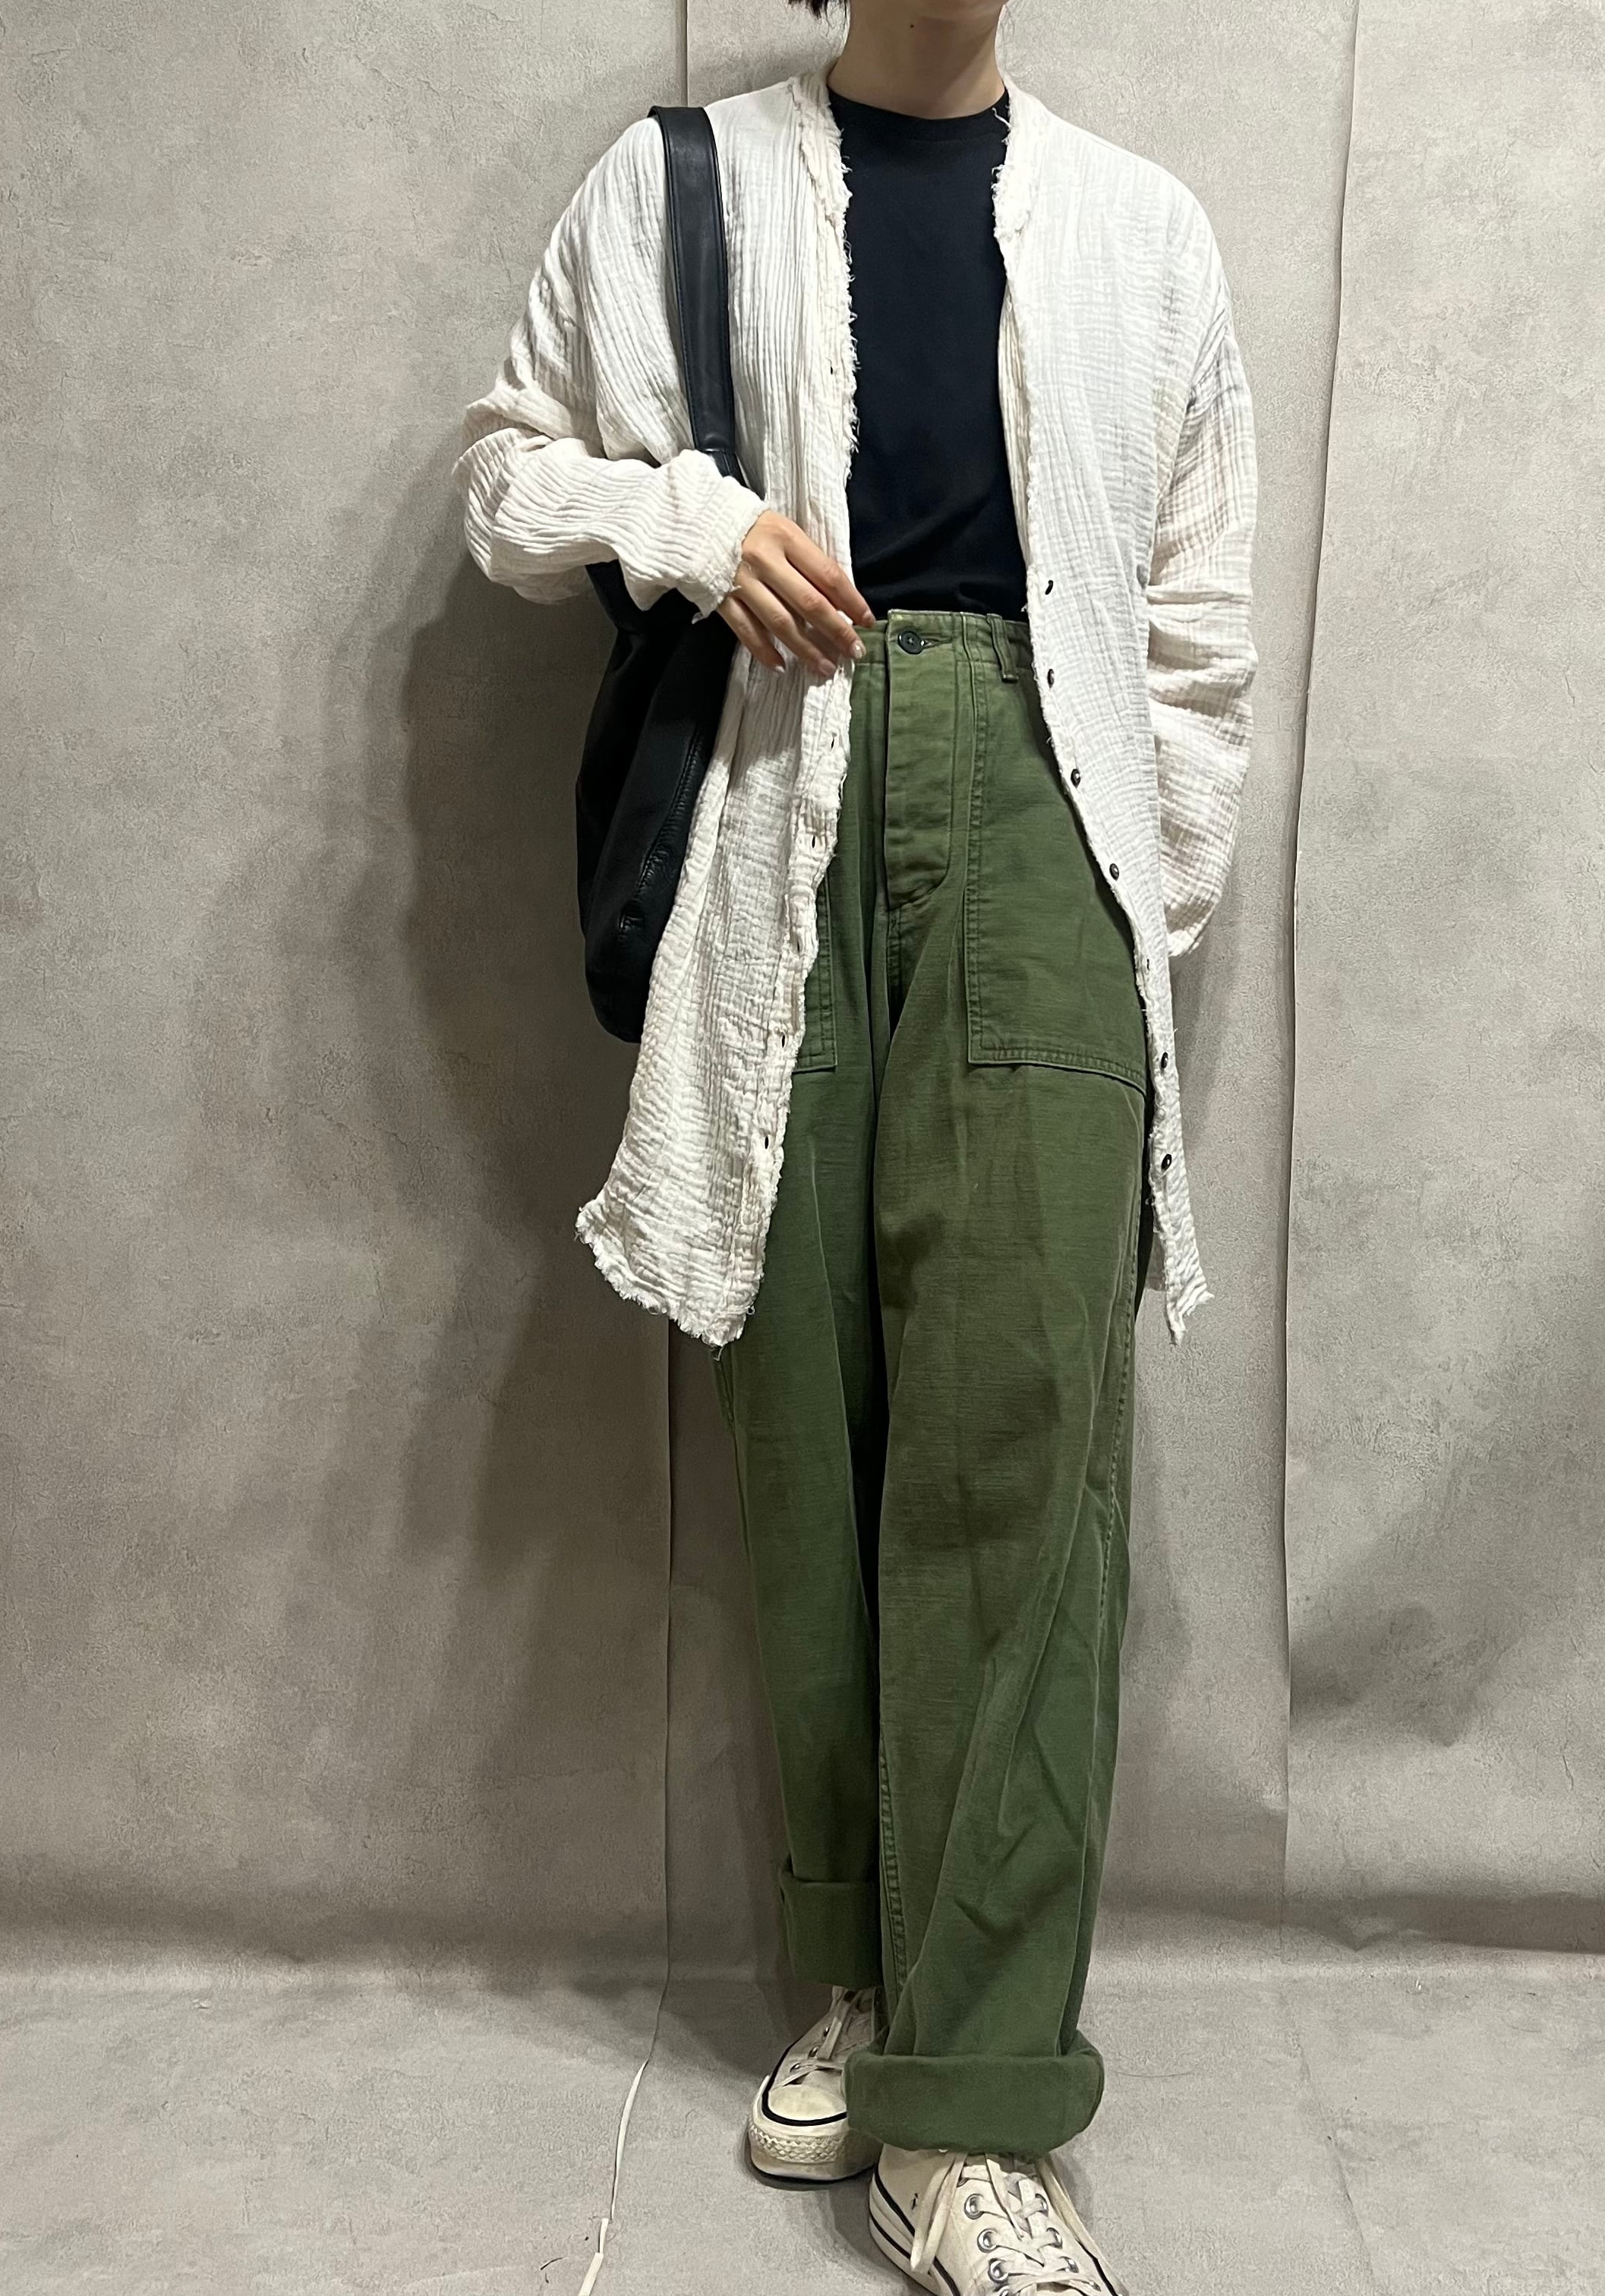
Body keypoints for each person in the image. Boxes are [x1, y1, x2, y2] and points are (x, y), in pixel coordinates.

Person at [454, 1, 1257, 2286]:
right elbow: (510, 470)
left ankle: (973, 2104)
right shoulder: (680, 184)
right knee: (809, 1424)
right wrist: (692, 522)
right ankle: (869, 1979)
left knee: (1021, 1441)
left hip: (1044, 821)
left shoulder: (1143, 229)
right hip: (769, 818)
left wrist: (1128, 886)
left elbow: (1195, 633)